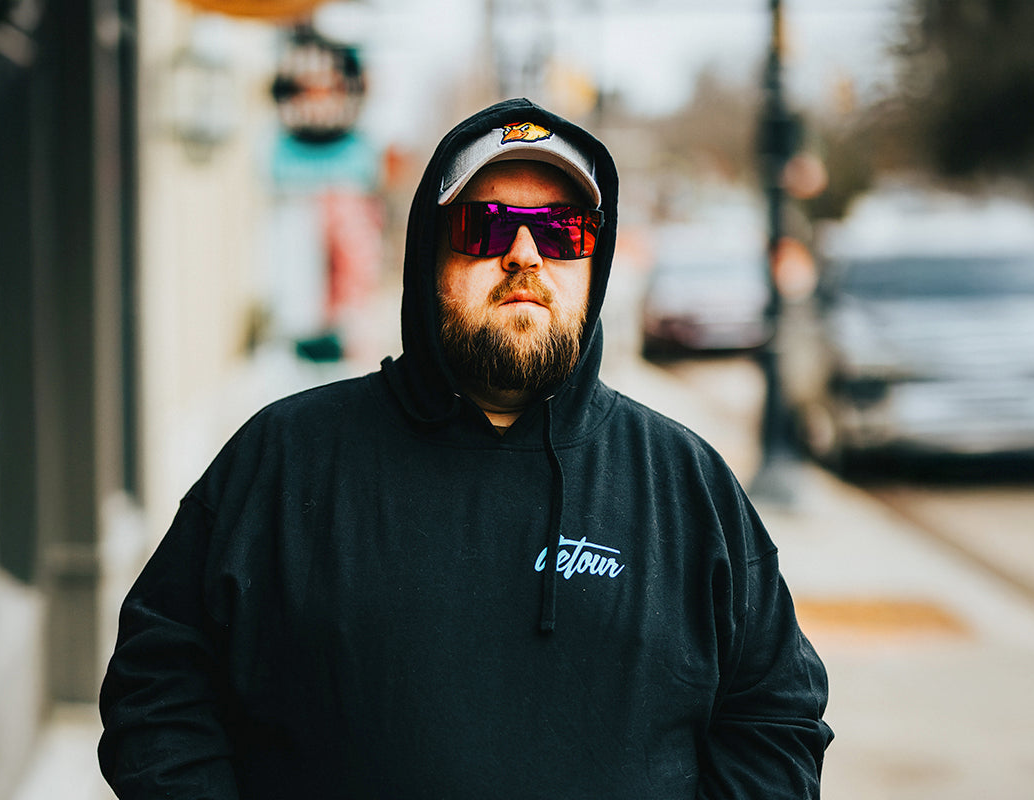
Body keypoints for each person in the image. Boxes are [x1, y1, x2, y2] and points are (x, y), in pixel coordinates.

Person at [98, 97, 832, 799]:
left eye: (562, 230)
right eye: (486, 227)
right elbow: (155, 689)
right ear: (428, 254)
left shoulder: (683, 483)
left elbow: (774, 715)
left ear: (594, 261)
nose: (525, 256)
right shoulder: (285, 460)